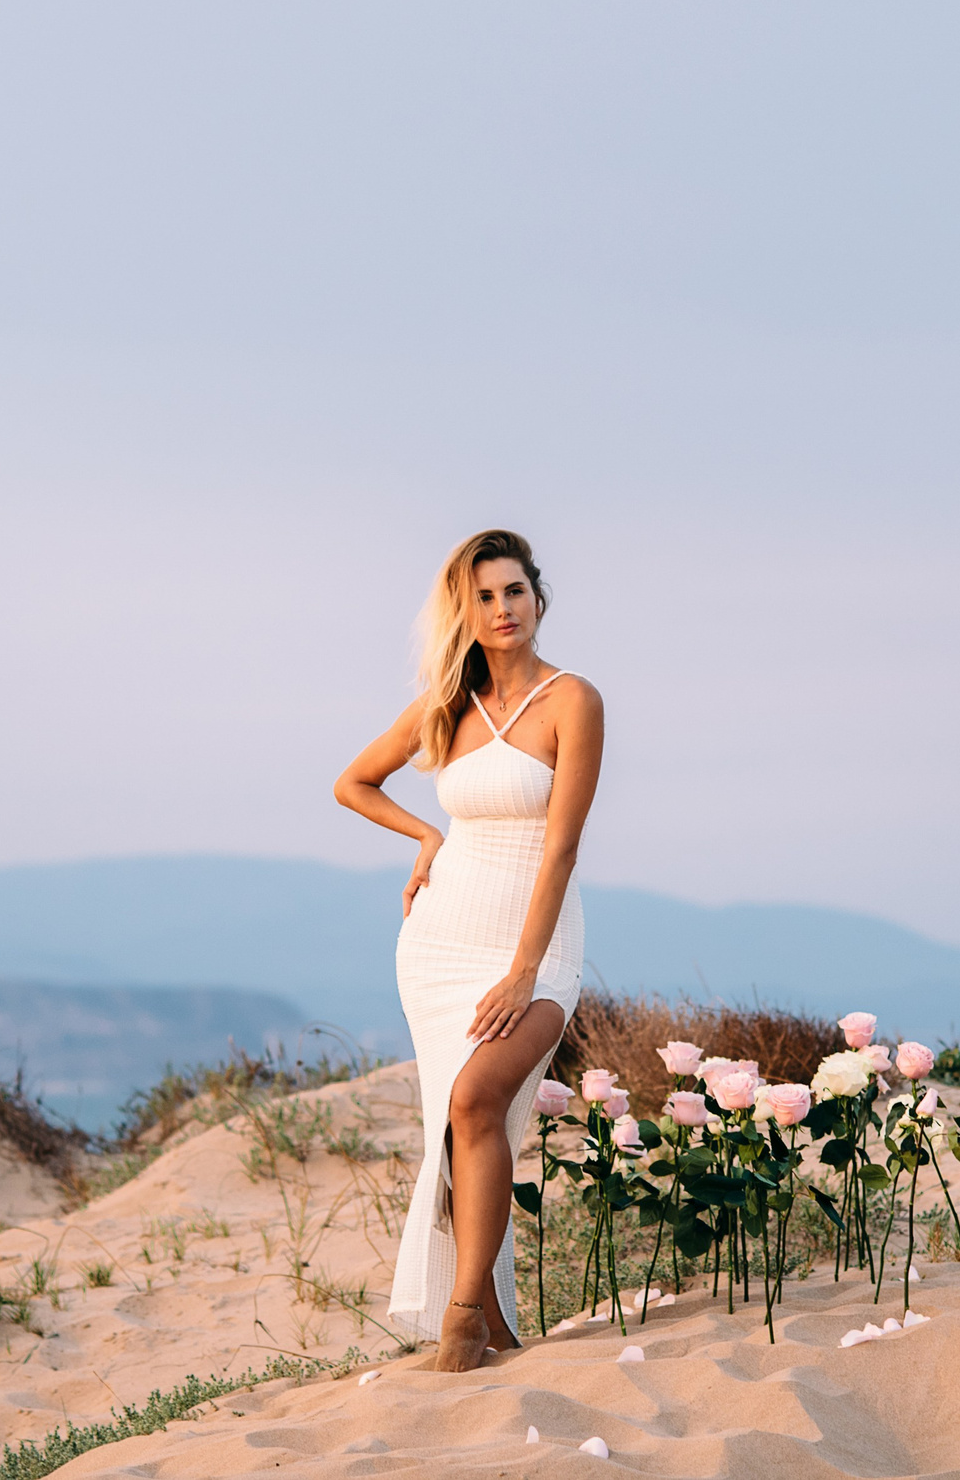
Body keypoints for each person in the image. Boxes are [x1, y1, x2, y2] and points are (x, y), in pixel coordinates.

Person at [334, 528, 604, 1371]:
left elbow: (560, 850)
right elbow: (353, 782)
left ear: (538, 597)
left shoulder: (573, 701)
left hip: (536, 941)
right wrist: (424, 839)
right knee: (457, 1126)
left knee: (480, 1098)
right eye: (484, 596)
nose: (502, 609)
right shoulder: (446, 705)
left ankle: (459, 1318)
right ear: (467, 610)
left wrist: (525, 971)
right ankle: (493, 1327)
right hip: (442, 941)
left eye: (514, 591)